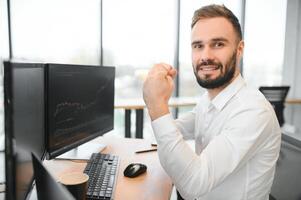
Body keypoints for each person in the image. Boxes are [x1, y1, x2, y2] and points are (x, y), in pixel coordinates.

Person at [143, 4, 281, 200]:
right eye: (198, 46)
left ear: (239, 49)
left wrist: (157, 104)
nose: (206, 56)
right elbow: (172, 131)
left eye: (218, 44)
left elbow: (193, 183)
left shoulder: (253, 111)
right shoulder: (208, 100)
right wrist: (156, 100)